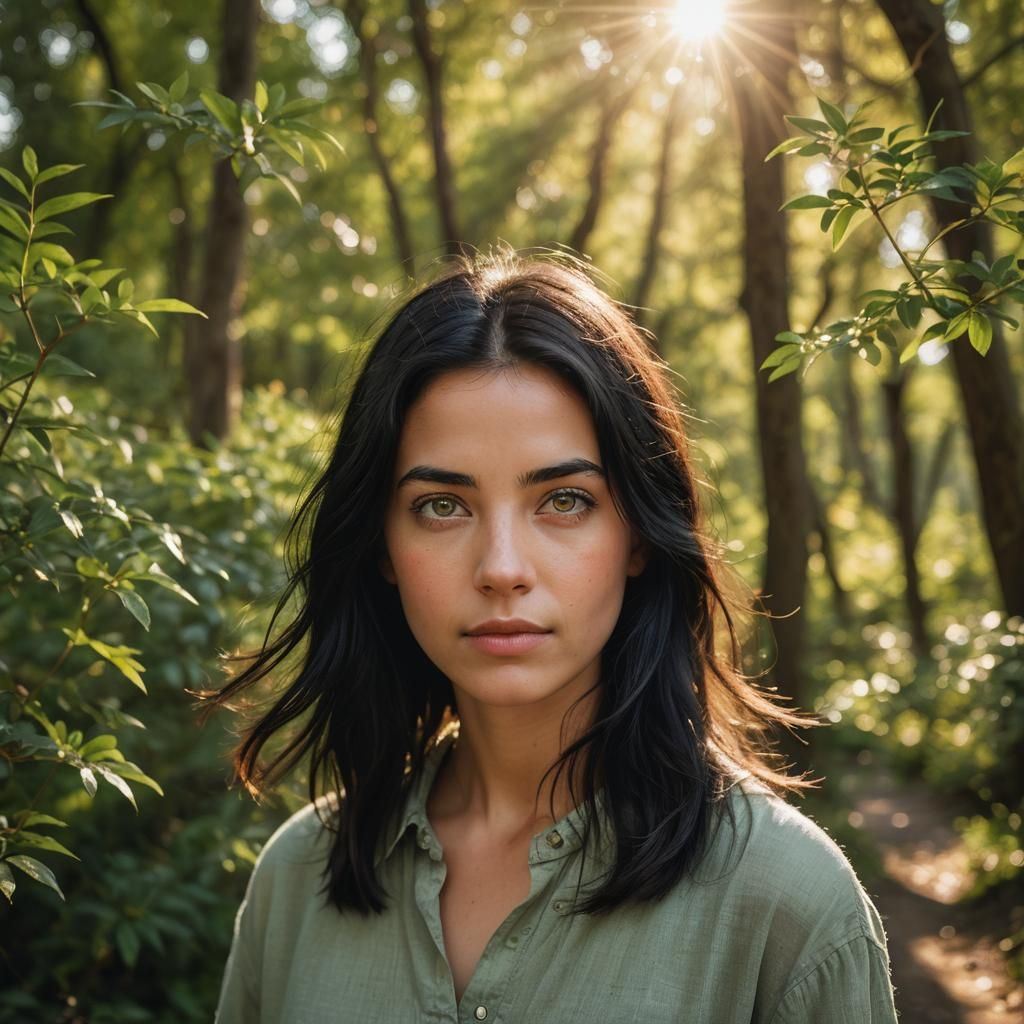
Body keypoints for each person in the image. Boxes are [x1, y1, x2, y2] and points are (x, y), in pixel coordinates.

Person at [206, 251, 899, 1023]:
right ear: (381, 548)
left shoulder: (788, 904)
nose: (502, 569)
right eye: (442, 506)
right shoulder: (297, 877)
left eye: (564, 501)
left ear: (637, 534)